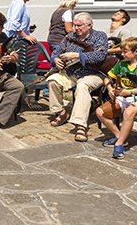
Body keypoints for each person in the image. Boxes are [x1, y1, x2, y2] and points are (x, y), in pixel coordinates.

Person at [46, 12, 108, 142]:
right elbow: (55, 52)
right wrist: (55, 59)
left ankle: (81, 125)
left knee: (82, 86)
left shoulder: (100, 36)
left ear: (89, 25)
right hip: (72, 73)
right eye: (75, 25)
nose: (76, 28)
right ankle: (61, 112)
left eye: (79, 25)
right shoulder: (70, 37)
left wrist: (77, 56)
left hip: (93, 73)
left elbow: (100, 56)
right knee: (53, 80)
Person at [94, 37, 137, 160]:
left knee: (129, 112)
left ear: (136, 52)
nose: (122, 54)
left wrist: (128, 92)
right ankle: (120, 137)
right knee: (100, 112)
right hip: (124, 96)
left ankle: (119, 144)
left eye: (125, 51)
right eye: (121, 51)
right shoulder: (121, 64)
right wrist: (110, 89)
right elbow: (107, 78)